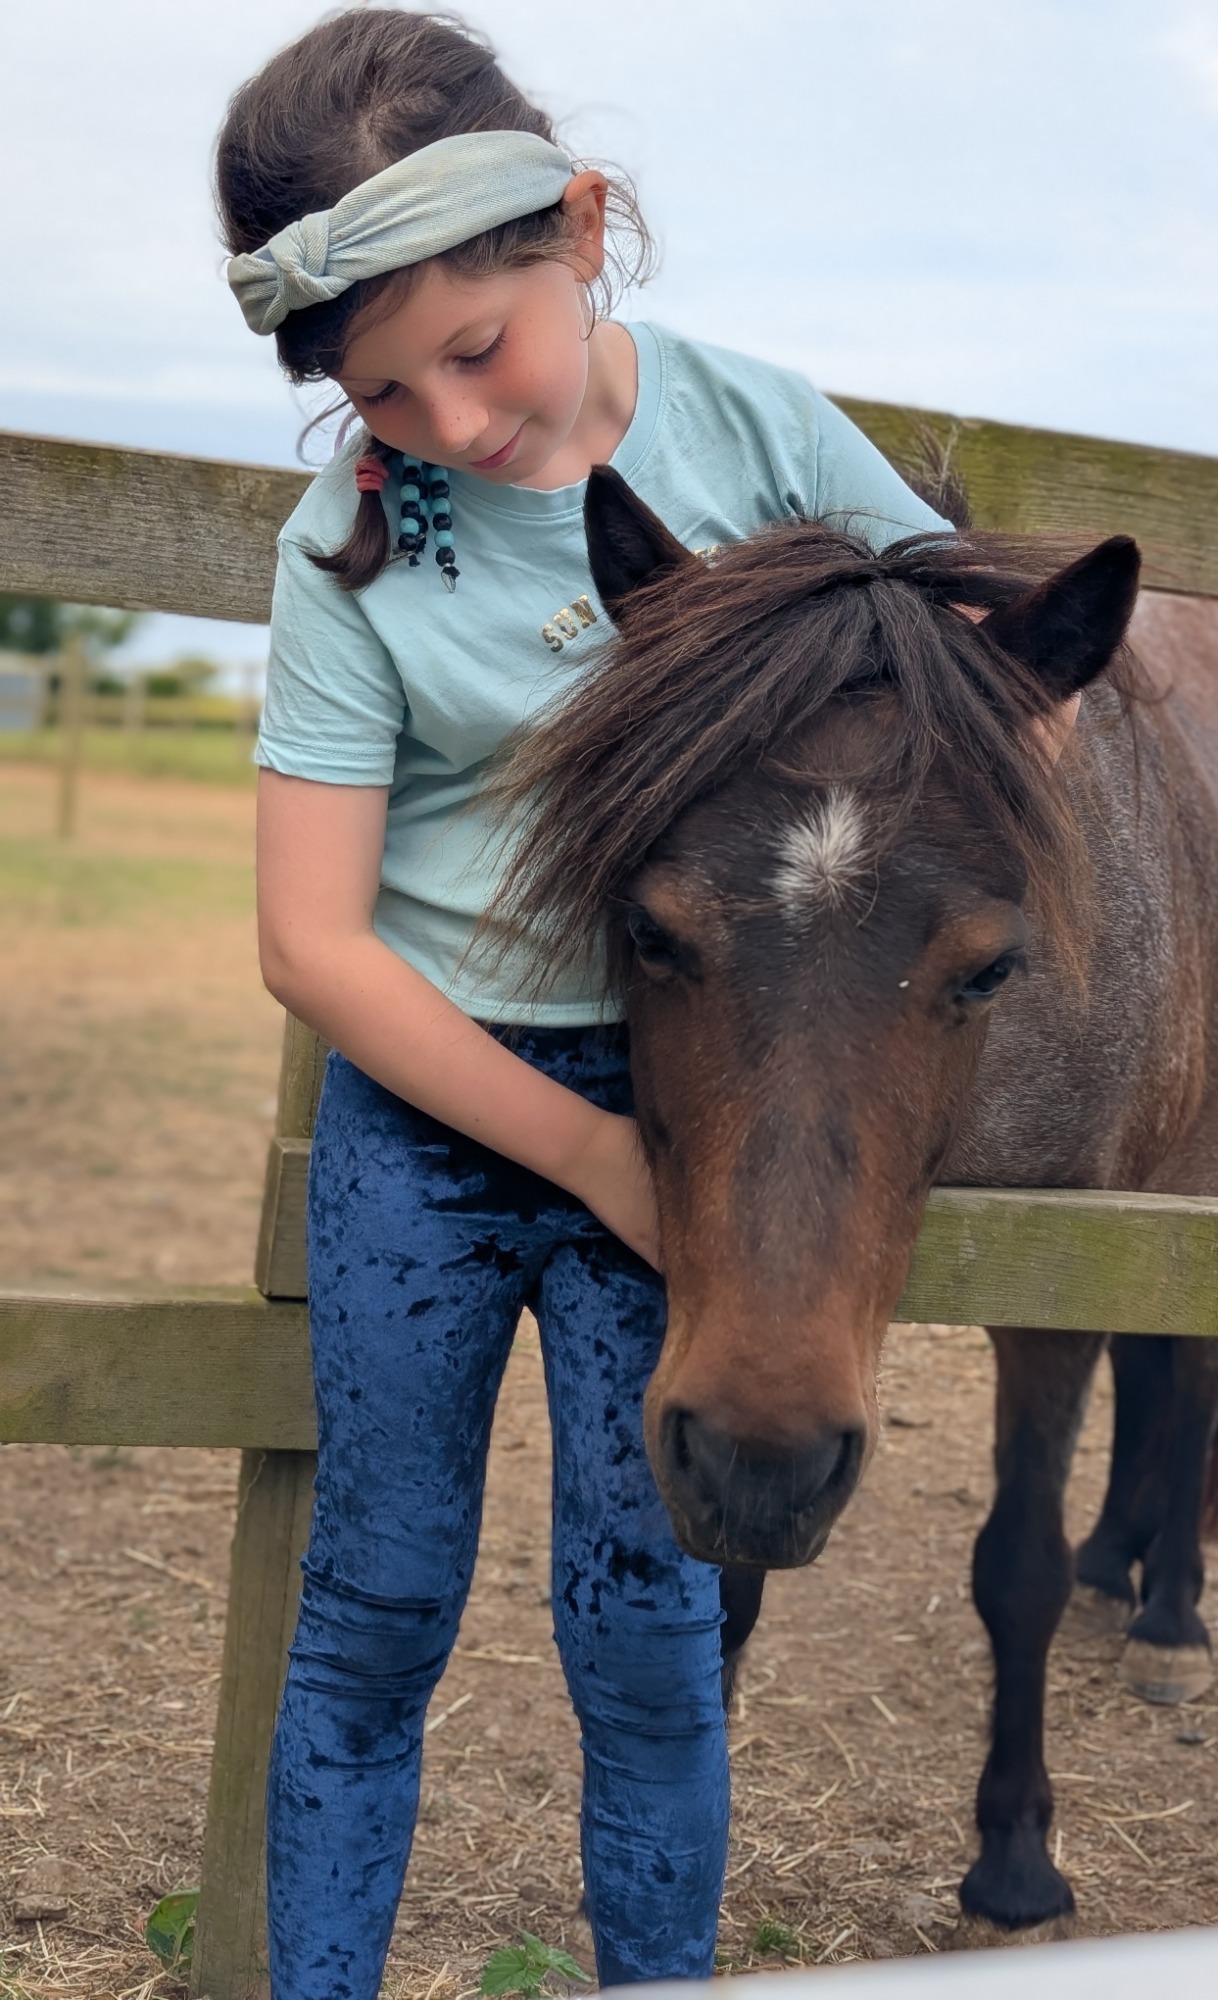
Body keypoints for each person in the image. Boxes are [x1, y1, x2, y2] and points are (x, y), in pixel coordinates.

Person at [216, 10, 947, 1994]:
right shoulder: (349, 548)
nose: (448, 422)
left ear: (583, 231)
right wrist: (587, 1155)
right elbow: (313, 943)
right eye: (382, 389)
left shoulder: (762, 432)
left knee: (646, 1641)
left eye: (480, 347)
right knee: (373, 1613)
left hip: (685, 1095)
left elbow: (975, 679)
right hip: (432, 1129)